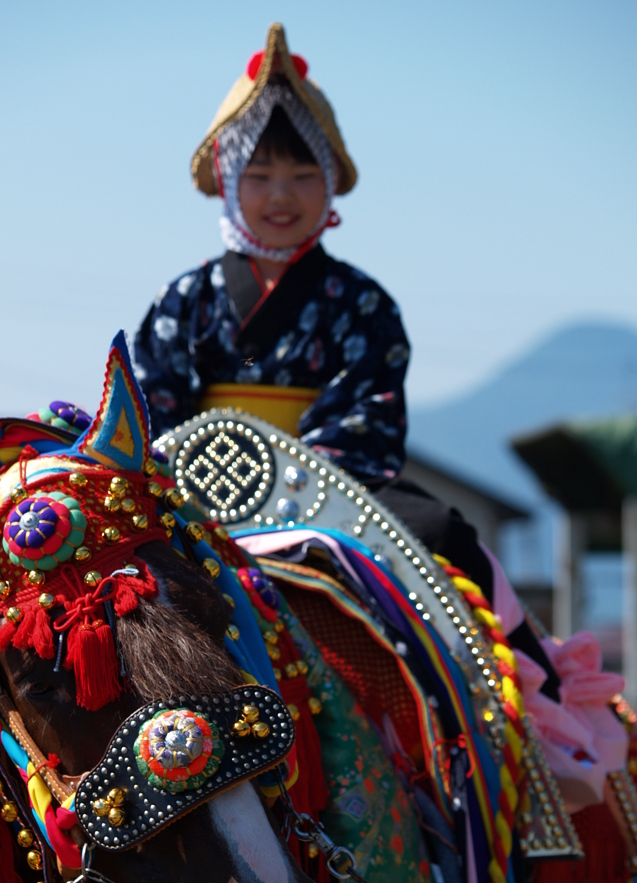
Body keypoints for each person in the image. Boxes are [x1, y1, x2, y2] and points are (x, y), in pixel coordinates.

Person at [132, 23, 561, 692]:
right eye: (261, 173)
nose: (282, 194)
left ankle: (523, 706)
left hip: (323, 490)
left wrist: (282, 485)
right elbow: (153, 411)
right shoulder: (181, 300)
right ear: (226, 180)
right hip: (194, 493)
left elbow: (365, 419)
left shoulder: (361, 303)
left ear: (329, 185)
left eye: (303, 175)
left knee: (444, 533)